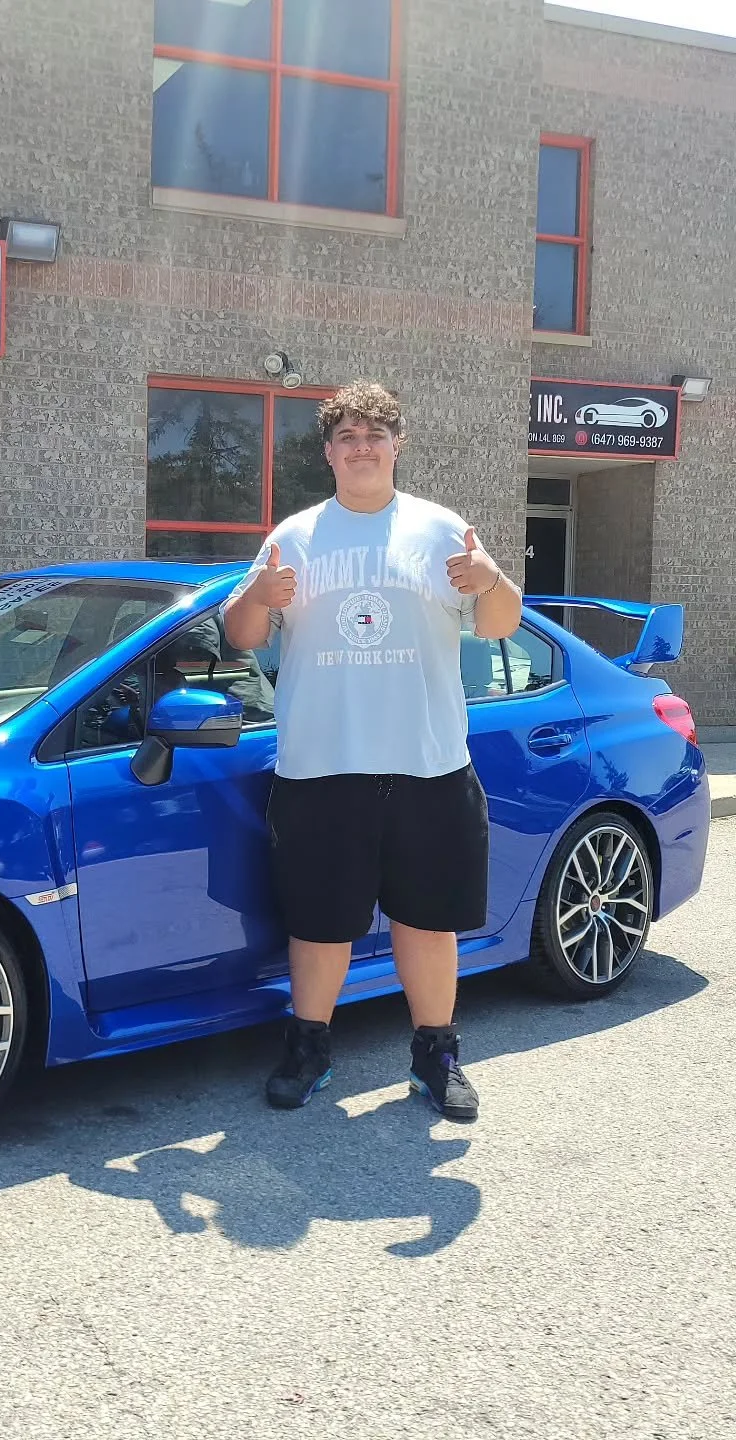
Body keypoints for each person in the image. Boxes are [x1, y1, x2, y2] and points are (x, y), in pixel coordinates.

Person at [221, 380, 522, 1120]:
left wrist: (491, 578)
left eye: (374, 435)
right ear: (328, 451)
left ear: (397, 445)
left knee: (429, 922)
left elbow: (499, 624)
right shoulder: (293, 535)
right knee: (319, 925)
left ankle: (436, 1057)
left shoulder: (442, 529)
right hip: (321, 767)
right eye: (347, 437)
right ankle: (310, 1049)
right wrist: (259, 594)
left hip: (428, 765)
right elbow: (241, 635)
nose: (362, 447)